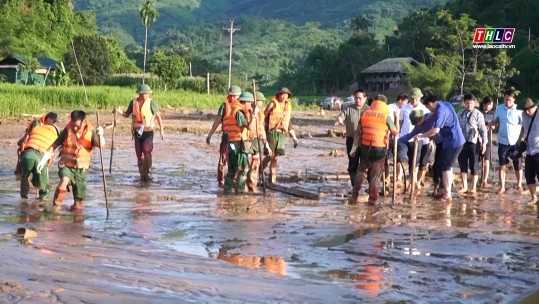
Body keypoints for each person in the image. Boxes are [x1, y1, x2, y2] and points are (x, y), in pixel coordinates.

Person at [37, 110, 105, 212]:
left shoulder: (91, 132)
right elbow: (55, 144)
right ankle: (56, 208)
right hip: (67, 165)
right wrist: (44, 158)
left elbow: (101, 145)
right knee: (64, 181)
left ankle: (75, 218)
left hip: (81, 169)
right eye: (73, 125)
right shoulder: (67, 130)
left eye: (77, 126)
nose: (75, 128)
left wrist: (101, 135)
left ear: (83, 122)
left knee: (78, 206)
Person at [413, 94, 465, 202]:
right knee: (447, 166)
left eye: (428, 107)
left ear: (430, 103)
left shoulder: (441, 111)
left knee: (445, 167)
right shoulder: (444, 104)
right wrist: (427, 117)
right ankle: (446, 191)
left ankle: (447, 194)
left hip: (453, 141)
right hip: (455, 140)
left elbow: (435, 130)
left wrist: (420, 136)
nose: (429, 109)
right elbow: (433, 114)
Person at [350, 95, 398, 204]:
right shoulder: (386, 117)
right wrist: (395, 125)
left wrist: (354, 149)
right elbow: (395, 131)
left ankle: (354, 196)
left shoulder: (364, 113)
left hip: (365, 148)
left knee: (361, 171)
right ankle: (372, 200)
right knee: (375, 176)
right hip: (379, 149)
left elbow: (357, 132)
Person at [114, 84, 164, 182]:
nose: (147, 95)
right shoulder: (133, 103)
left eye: (147, 94)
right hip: (137, 132)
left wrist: (161, 129)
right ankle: (142, 174)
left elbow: (158, 116)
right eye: (145, 94)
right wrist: (119, 111)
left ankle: (148, 172)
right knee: (139, 154)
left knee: (147, 151)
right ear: (140, 94)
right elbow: (127, 114)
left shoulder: (151, 103)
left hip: (148, 131)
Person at [487, 89, 523, 194]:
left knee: (518, 164)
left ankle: (519, 185)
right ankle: (502, 186)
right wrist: (488, 125)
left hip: (515, 142)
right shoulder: (499, 108)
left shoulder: (519, 111)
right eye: (506, 99)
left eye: (510, 100)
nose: (507, 101)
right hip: (503, 141)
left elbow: (523, 127)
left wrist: (521, 140)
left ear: (514, 99)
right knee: (502, 163)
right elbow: (495, 121)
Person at [223, 92, 258, 194]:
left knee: (232, 171)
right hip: (238, 144)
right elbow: (250, 127)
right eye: (250, 103)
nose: (251, 106)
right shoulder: (239, 113)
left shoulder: (235, 110)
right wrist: (254, 115)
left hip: (232, 143)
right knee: (243, 169)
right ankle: (240, 193)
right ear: (245, 102)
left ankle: (228, 193)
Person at [206, 85, 242, 187]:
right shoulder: (224, 106)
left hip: (238, 138)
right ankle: (221, 180)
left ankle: (234, 179)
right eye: (232, 96)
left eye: (236, 96)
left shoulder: (242, 106)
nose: (234, 98)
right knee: (223, 157)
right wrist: (210, 135)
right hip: (227, 137)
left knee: (236, 158)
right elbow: (217, 121)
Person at [262, 87, 299, 184]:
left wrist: (294, 137)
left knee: (276, 157)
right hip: (271, 132)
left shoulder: (287, 106)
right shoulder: (273, 104)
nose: (284, 96)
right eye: (282, 94)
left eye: (286, 95)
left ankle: (272, 178)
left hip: (282, 134)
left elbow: (288, 123)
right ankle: (259, 170)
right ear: (278, 95)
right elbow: (262, 116)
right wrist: (260, 130)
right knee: (270, 155)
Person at [20, 112, 59, 199]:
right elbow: (51, 154)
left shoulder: (37, 127)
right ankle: (42, 204)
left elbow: (25, 140)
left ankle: (23, 199)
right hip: (40, 157)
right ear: (54, 122)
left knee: (24, 177)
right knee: (44, 188)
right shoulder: (55, 134)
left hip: (27, 155)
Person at [398, 88, 430, 190]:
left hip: (417, 138)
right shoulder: (404, 108)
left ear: (420, 98)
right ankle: (402, 178)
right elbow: (401, 122)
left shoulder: (425, 110)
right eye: (413, 98)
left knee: (415, 161)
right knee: (402, 157)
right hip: (405, 136)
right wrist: (398, 133)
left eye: (416, 98)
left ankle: (413, 181)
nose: (414, 100)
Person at [335, 89, 369, 186]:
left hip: (365, 142)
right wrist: (339, 120)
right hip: (352, 141)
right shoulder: (348, 108)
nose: (357, 100)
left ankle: (367, 186)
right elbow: (341, 116)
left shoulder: (369, 110)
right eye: (356, 98)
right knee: (353, 164)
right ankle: (355, 187)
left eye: (360, 98)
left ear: (365, 99)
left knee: (366, 164)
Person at [456, 94, 488, 194]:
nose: (469, 105)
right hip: (462, 142)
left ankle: (473, 187)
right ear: (464, 103)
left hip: (474, 143)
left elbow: (483, 130)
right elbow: (456, 128)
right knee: (462, 164)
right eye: (467, 103)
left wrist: (484, 143)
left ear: (474, 103)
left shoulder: (478, 114)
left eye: (471, 103)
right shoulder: (460, 113)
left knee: (474, 165)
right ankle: (465, 186)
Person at [246, 91, 272, 193]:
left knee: (255, 165)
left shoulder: (261, 114)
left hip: (256, 141)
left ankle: (252, 187)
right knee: (246, 166)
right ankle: (242, 187)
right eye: (260, 101)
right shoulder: (246, 112)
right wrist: (253, 114)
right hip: (247, 141)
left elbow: (261, 130)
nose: (261, 104)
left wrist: (266, 144)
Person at [520, 98, 539, 204]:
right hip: (529, 150)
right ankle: (534, 198)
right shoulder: (524, 114)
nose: (527, 112)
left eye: (529, 109)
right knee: (528, 175)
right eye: (525, 110)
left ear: (534, 107)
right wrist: (520, 141)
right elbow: (523, 128)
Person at [479, 96, 495, 188]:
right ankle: (477, 178)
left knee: (487, 161)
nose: (490, 107)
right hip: (477, 139)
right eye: (488, 104)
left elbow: (494, 126)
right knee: (476, 160)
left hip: (488, 139)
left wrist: (492, 126)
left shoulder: (492, 114)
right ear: (484, 104)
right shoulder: (478, 113)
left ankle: (485, 180)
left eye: (491, 105)